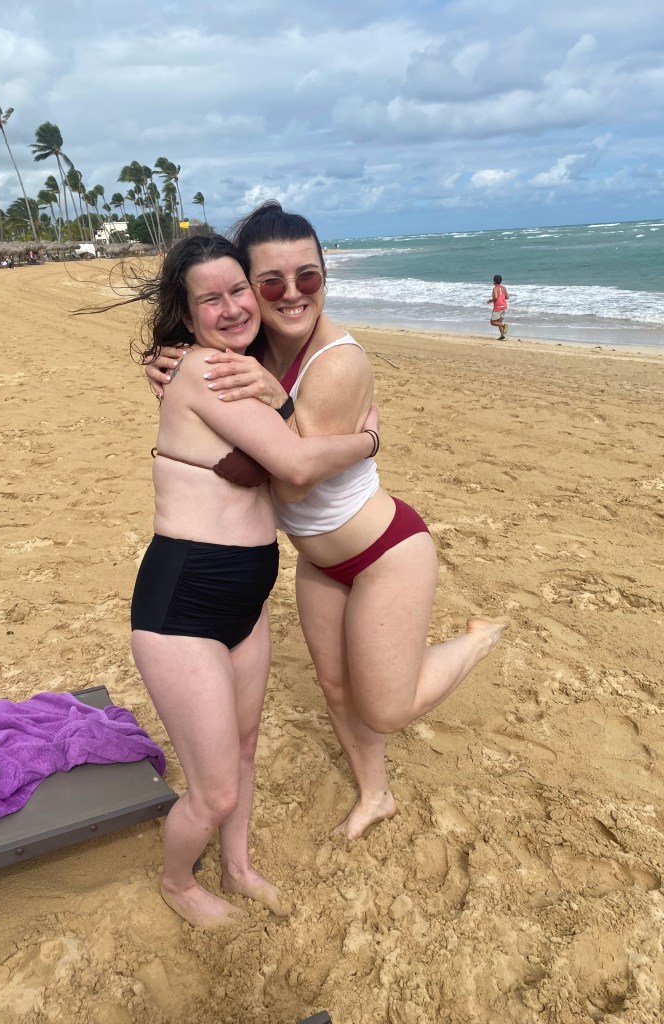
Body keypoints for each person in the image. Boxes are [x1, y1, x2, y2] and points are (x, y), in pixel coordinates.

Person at [147, 202, 507, 841]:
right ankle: (376, 793)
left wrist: (312, 414)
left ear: (325, 276)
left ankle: (478, 638)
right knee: (337, 690)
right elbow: (200, 369)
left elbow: (294, 477)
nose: (292, 294)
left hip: (383, 551)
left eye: (307, 277)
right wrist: (164, 361)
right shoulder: (249, 345)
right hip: (318, 559)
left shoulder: (338, 361)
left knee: (387, 707)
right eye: (270, 283)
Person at [123, 233, 379, 927]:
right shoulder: (208, 370)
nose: (233, 307)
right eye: (211, 299)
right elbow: (294, 464)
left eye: (240, 289)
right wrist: (368, 440)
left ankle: (236, 868)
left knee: (242, 750)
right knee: (215, 792)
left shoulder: (244, 365)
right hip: (184, 605)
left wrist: (283, 392)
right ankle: (178, 883)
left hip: (245, 599)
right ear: (187, 313)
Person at [487, 274, 509, 339]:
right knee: (499, 322)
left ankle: (504, 325)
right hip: (504, 306)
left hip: (498, 307)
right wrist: (502, 297)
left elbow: (496, 297)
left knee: (492, 322)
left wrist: (491, 300)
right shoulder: (504, 288)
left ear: (494, 281)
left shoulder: (495, 288)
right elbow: (507, 297)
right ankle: (502, 336)